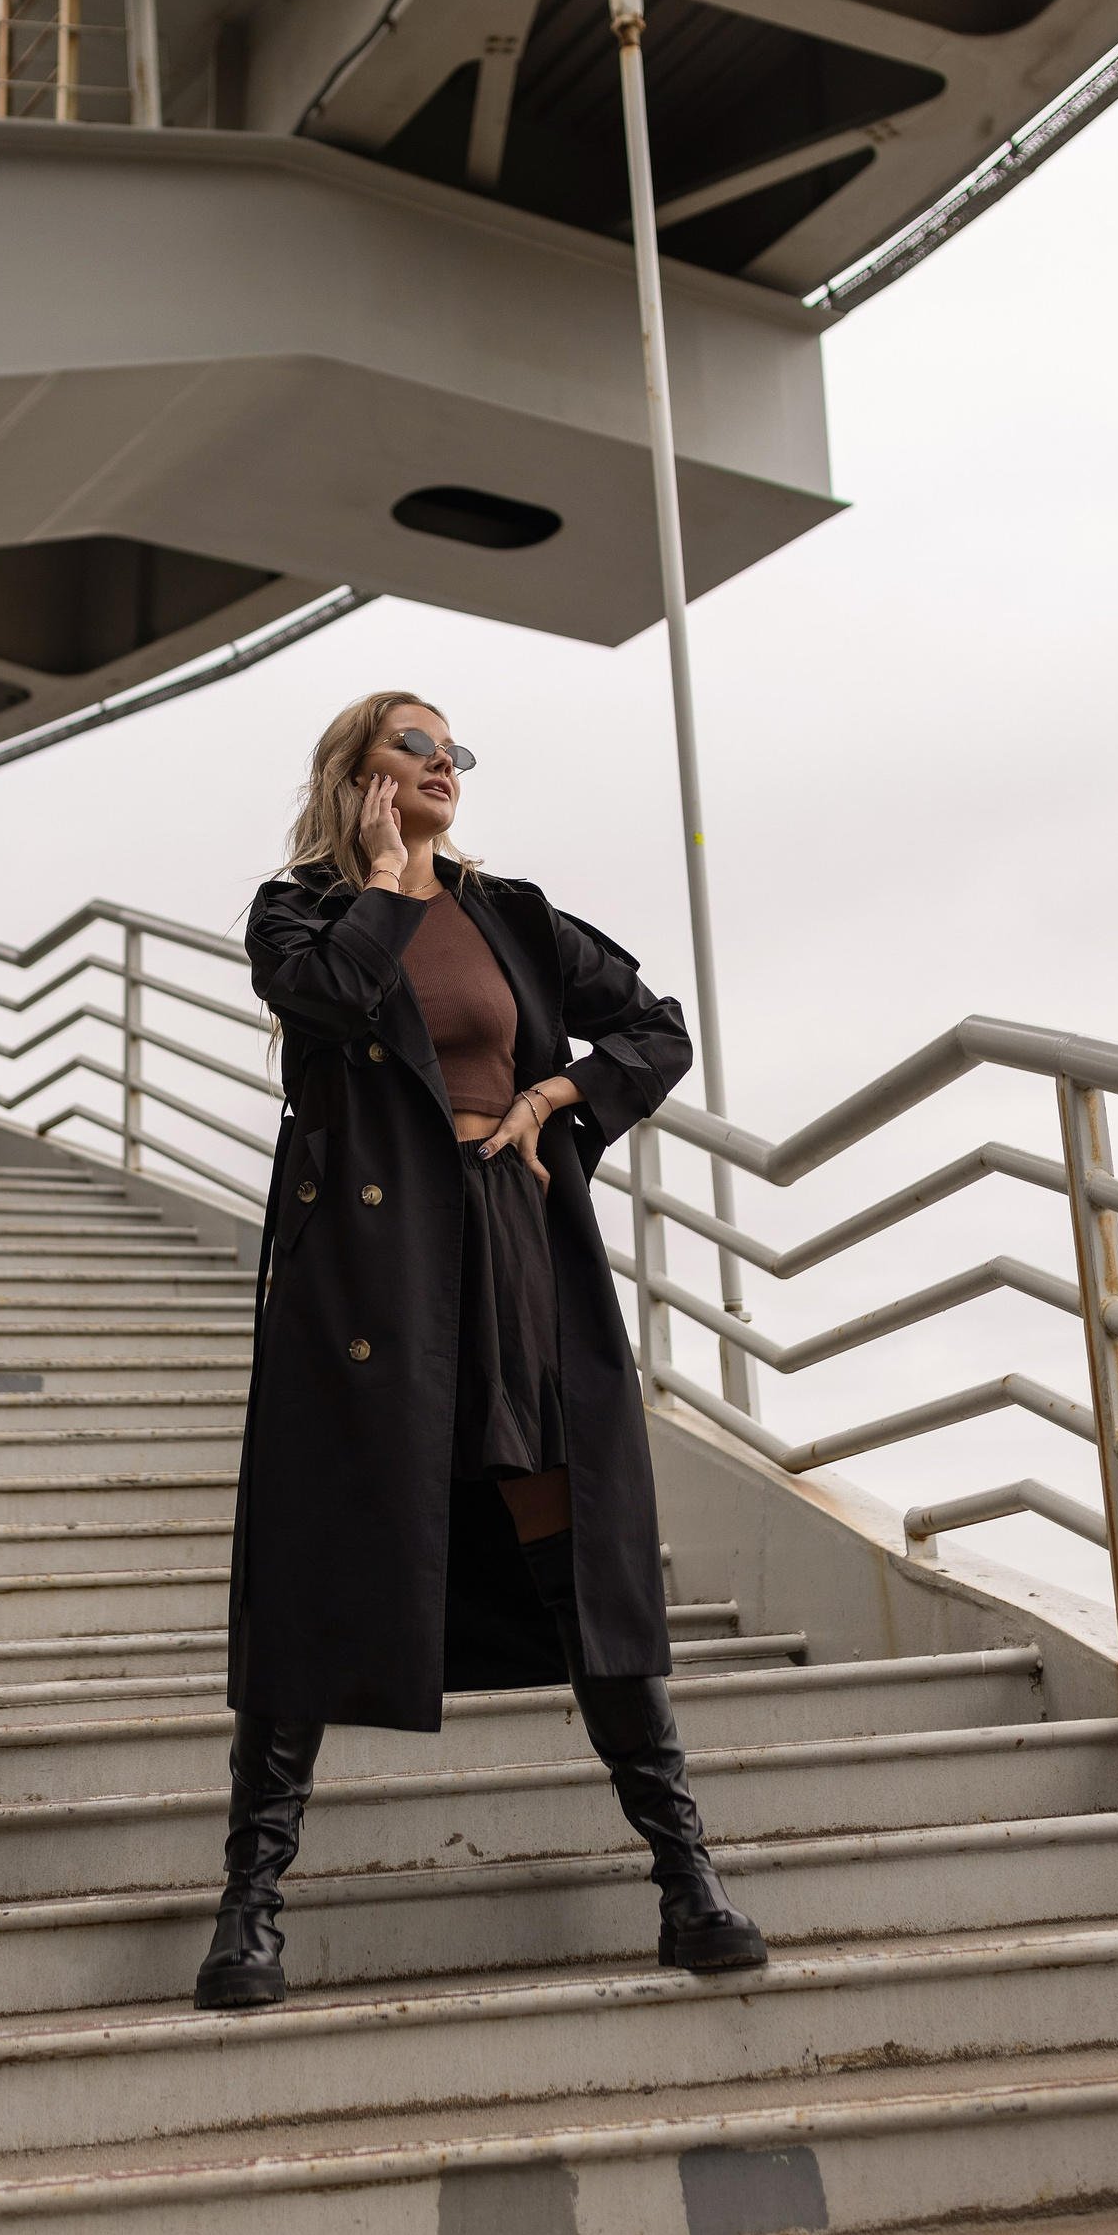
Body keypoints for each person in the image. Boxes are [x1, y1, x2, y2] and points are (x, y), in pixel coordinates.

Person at [194, 691, 766, 2010]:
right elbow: (325, 1001)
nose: (444, 763)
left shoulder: (510, 912)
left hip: (514, 1247)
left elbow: (656, 1028)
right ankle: (250, 1908)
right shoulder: (302, 912)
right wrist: (384, 882)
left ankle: (686, 1880)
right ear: (357, 773)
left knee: (580, 1550)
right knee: (316, 1557)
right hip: (366, 1274)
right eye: (416, 744)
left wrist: (560, 1094)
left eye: (456, 749)